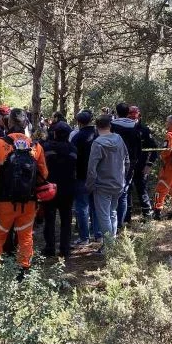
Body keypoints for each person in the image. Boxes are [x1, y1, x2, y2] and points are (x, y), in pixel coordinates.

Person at [0, 108, 48, 274]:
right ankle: (24, 271)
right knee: (25, 236)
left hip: (4, 201)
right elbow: (44, 174)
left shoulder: (0, 144)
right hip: (29, 201)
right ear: (26, 123)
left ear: (9, 123)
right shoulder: (36, 146)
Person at [86, 114, 130, 248]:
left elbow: (92, 168)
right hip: (118, 183)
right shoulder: (119, 139)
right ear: (110, 125)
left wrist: (89, 186)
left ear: (96, 127)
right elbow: (127, 160)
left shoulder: (97, 143)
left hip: (102, 185)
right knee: (112, 213)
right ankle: (112, 244)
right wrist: (123, 176)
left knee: (104, 216)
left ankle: (109, 247)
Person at [41, 122, 77, 258]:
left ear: (54, 133)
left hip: (50, 189)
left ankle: (50, 248)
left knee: (49, 219)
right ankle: (65, 250)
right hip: (68, 189)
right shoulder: (73, 149)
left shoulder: (46, 147)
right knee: (66, 221)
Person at [111, 102, 144, 227]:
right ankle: (120, 222)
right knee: (124, 192)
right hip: (130, 162)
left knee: (113, 191)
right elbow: (139, 146)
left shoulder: (112, 125)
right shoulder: (135, 126)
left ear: (117, 111)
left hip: (113, 161)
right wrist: (136, 161)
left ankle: (112, 222)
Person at [71, 110, 100, 245]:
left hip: (81, 175)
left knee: (82, 206)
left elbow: (73, 157)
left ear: (79, 122)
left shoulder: (77, 137)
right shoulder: (98, 134)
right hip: (97, 175)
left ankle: (84, 238)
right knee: (96, 206)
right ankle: (98, 234)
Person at [126, 105, 158, 221]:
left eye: (135, 117)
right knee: (126, 191)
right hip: (127, 167)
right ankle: (126, 218)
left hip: (141, 166)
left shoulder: (144, 130)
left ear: (139, 116)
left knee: (142, 190)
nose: (133, 119)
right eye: (131, 117)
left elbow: (154, 149)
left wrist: (149, 165)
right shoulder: (125, 130)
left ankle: (147, 216)